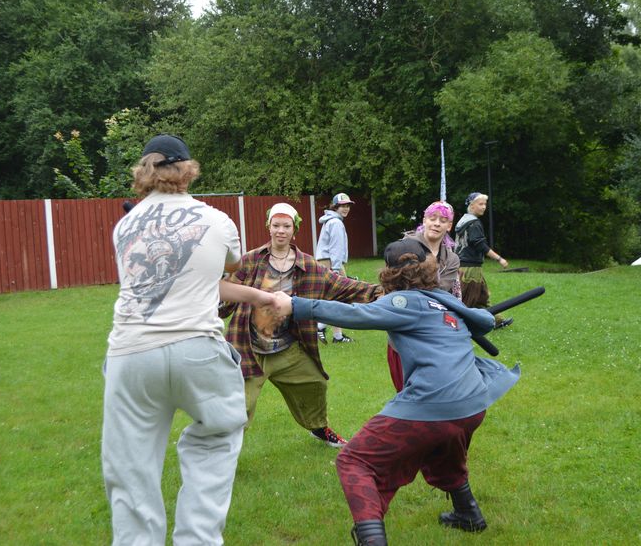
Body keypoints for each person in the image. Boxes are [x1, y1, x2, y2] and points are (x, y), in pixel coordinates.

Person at [274, 238, 520, 545]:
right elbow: (483, 321)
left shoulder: (405, 301)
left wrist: (296, 305)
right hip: (472, 403)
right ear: (429, 268)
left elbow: (357, 315)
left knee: (355, 462)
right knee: (442, 444)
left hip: (435, 401)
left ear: (388, 273)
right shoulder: (445, 300)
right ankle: (468, 513)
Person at [101, 134, 280, 545]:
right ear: (188, 170)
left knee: (130, 467)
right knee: (217, 437)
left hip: (131, 355)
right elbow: (231, 265)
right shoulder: (218, 220)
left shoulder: (124, 226)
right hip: (198, 349)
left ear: (144, 172)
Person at [219, 202, 383, 447]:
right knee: (238, 408)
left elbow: (342, 285)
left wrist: (379, 292)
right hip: (249, 349)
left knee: (315, 384)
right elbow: (227, 297)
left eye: (286, 226)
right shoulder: (250, 260)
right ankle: (220, 452)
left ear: (294, 230)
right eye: (276, 225)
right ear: (269, 227)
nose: (280, 231)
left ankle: (319, 428)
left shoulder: (309, 266)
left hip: (287, 349)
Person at [387, 200, 462, 391]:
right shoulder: (403, 247)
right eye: (432, 218)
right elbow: (394, 285)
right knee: (406, 391)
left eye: (443, 220)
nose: (437, 223)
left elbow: (442, 290)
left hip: (434, 333)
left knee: (434, 390)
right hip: (403, 328)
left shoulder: (451, 259)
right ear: (424, 220)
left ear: (449, 226)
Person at [454, 192, 512, 329]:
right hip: (470, 269)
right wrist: (499, 258)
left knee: (482, 297)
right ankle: (455, 325)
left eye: (485, 204)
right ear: (472, 205)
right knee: (467, 299)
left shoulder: (463, 221)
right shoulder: (474, 223)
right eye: (480, 204)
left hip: (466, 266)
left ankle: (497, 321)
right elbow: (480, 245)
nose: (484, 207)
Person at [315, 192, 356, 344]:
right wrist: (336, 270)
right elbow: (335, 248)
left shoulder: (330, 221)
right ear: (335, 207)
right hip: (330, 262)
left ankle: (337, 336)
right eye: (342, 206)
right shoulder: (336, 223)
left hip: (325, 261)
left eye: (348, 206)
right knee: (338, 297)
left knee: (334, 297)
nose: (346, 209)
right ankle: (320, 326)